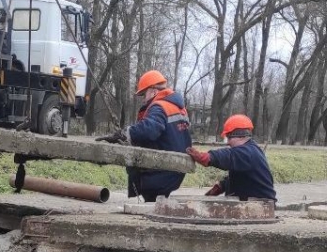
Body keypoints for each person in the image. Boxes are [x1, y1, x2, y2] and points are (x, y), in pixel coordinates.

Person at [96, 70, 192, 202]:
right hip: (177, 169)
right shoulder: (178, 107)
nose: (144, 99)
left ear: (153, 90)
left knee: (151, 201)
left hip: (161, 170)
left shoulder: (159, 106)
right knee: (157, 202)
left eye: (144, 94)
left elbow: (150, 130)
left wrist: (125, 134)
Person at [185, 114, 277, 202]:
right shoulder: (250, 150)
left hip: (260, 206)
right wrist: (222, 186)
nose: (228, 142)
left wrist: (207, 157)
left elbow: (228, 155)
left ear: (240, 135)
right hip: (254, 202)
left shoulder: (248, 153)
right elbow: (241, 177)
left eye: (229, 138)